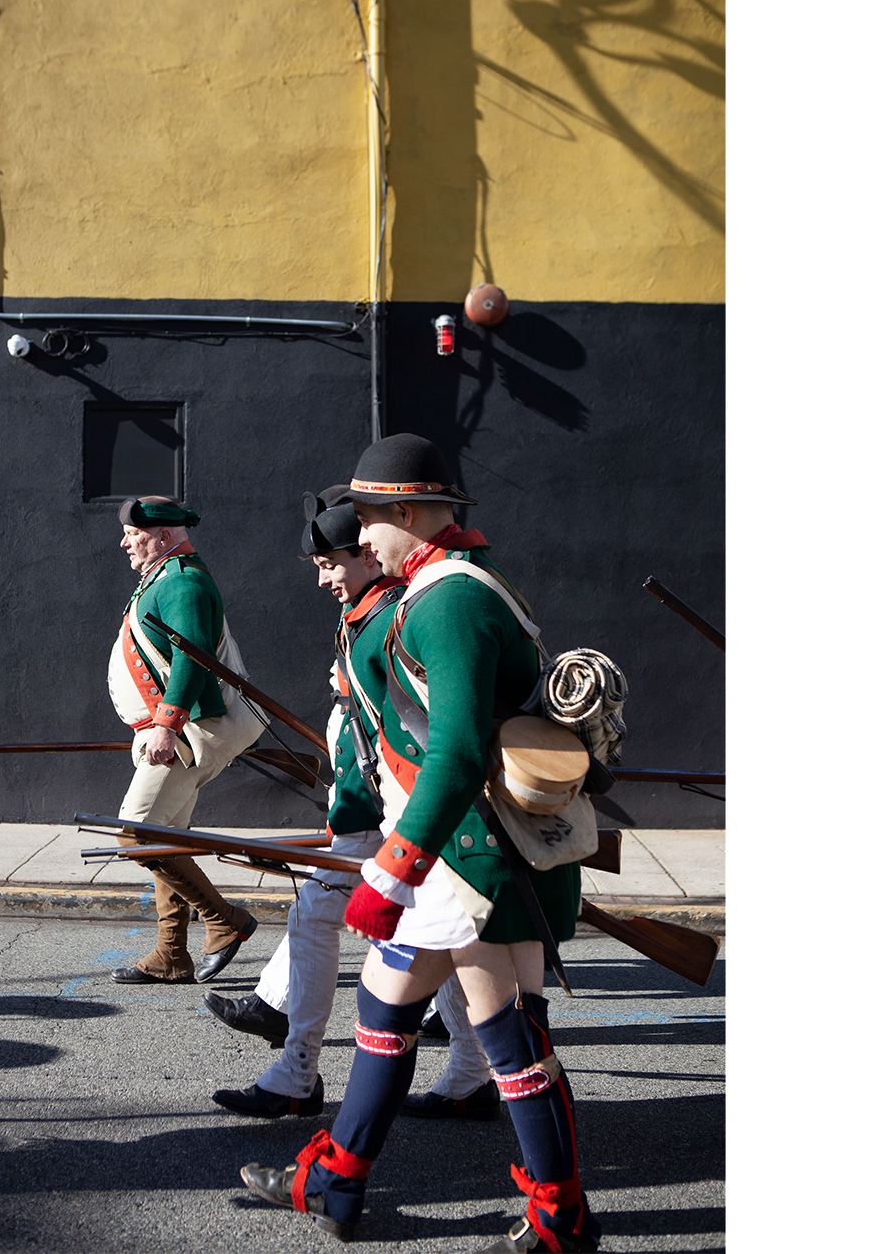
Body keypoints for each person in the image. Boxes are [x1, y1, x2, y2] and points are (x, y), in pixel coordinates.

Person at [238, 435, 599, 1254]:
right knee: (386, 999)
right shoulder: (437, 590)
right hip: (456, 857)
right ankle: (336, 1178)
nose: (360, 538)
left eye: (368, 520)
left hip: (476, 861)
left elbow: (460, 751)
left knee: (511, 1034)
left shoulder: (450, 601)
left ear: (405, 513)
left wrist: (396, 867)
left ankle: (562, 1217)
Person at [206, 489, 498, 1121]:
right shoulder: (367, 617)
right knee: (439, 941)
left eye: (332, 563)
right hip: (391, 813)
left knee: (321, 917)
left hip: (398, 817)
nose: (324, 578)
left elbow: (415, 741)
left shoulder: (393, 619)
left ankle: (300, 1073)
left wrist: (358, 820)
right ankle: (471, 1075)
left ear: (368, 556)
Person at [104, 496, 265, 985]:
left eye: (134, 534)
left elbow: (190, 658)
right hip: (178, 730)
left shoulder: (183, 581)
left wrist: (167, 724)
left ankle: (225, 921)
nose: (125, 542)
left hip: (190, 731)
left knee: (137, 833)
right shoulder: (165, 577)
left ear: (165, 536)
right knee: (167, 837)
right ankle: (171, 953)